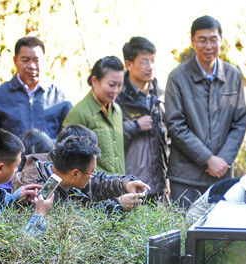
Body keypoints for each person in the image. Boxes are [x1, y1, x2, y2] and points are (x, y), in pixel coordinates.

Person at [164, 15, 246, 207]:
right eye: (202, 40)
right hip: (186, 177)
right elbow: (175, 124)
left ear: (221, 40)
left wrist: (223, 160)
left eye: (213, 39)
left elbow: (240, 121)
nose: (208, 46)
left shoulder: (233, 75)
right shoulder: (178, 77)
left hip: (222, 175)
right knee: (185, 232)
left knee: (221, 233)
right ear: (193, 41)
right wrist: (207, 159)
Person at [12, 128, 147, 214]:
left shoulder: (58, 173)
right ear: (75, 173)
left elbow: (98, 182)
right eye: (92, 172)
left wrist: (125, 184)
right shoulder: (44, 190)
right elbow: (74, 224)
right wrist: (117, 205)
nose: (93, 175)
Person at [0, 36, 72, 142]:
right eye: (25, 60)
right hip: (11, 158)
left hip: (49, 157)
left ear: (44, 61)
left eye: (37, 60)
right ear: (15, 60)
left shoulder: (60, 97)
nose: (32, 66)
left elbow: (69, 137)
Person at [116, 37, 169, 202]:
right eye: (144, 62)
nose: (150, 67)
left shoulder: (160, 95)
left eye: (153, 61)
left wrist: (167, 180)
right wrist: (135, 126)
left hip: (158, 184)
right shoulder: (117, 96)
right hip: (130, 184)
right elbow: (109, 139)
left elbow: (168, 140)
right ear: (129, 64)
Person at [63, 56, 126, 176]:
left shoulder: (117, 110)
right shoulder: (79, 113)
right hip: (94, 189)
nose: (116, 90)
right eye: (111, 85)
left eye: (120, 85)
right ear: (95, 81)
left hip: (118, 186)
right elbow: (69, 160)